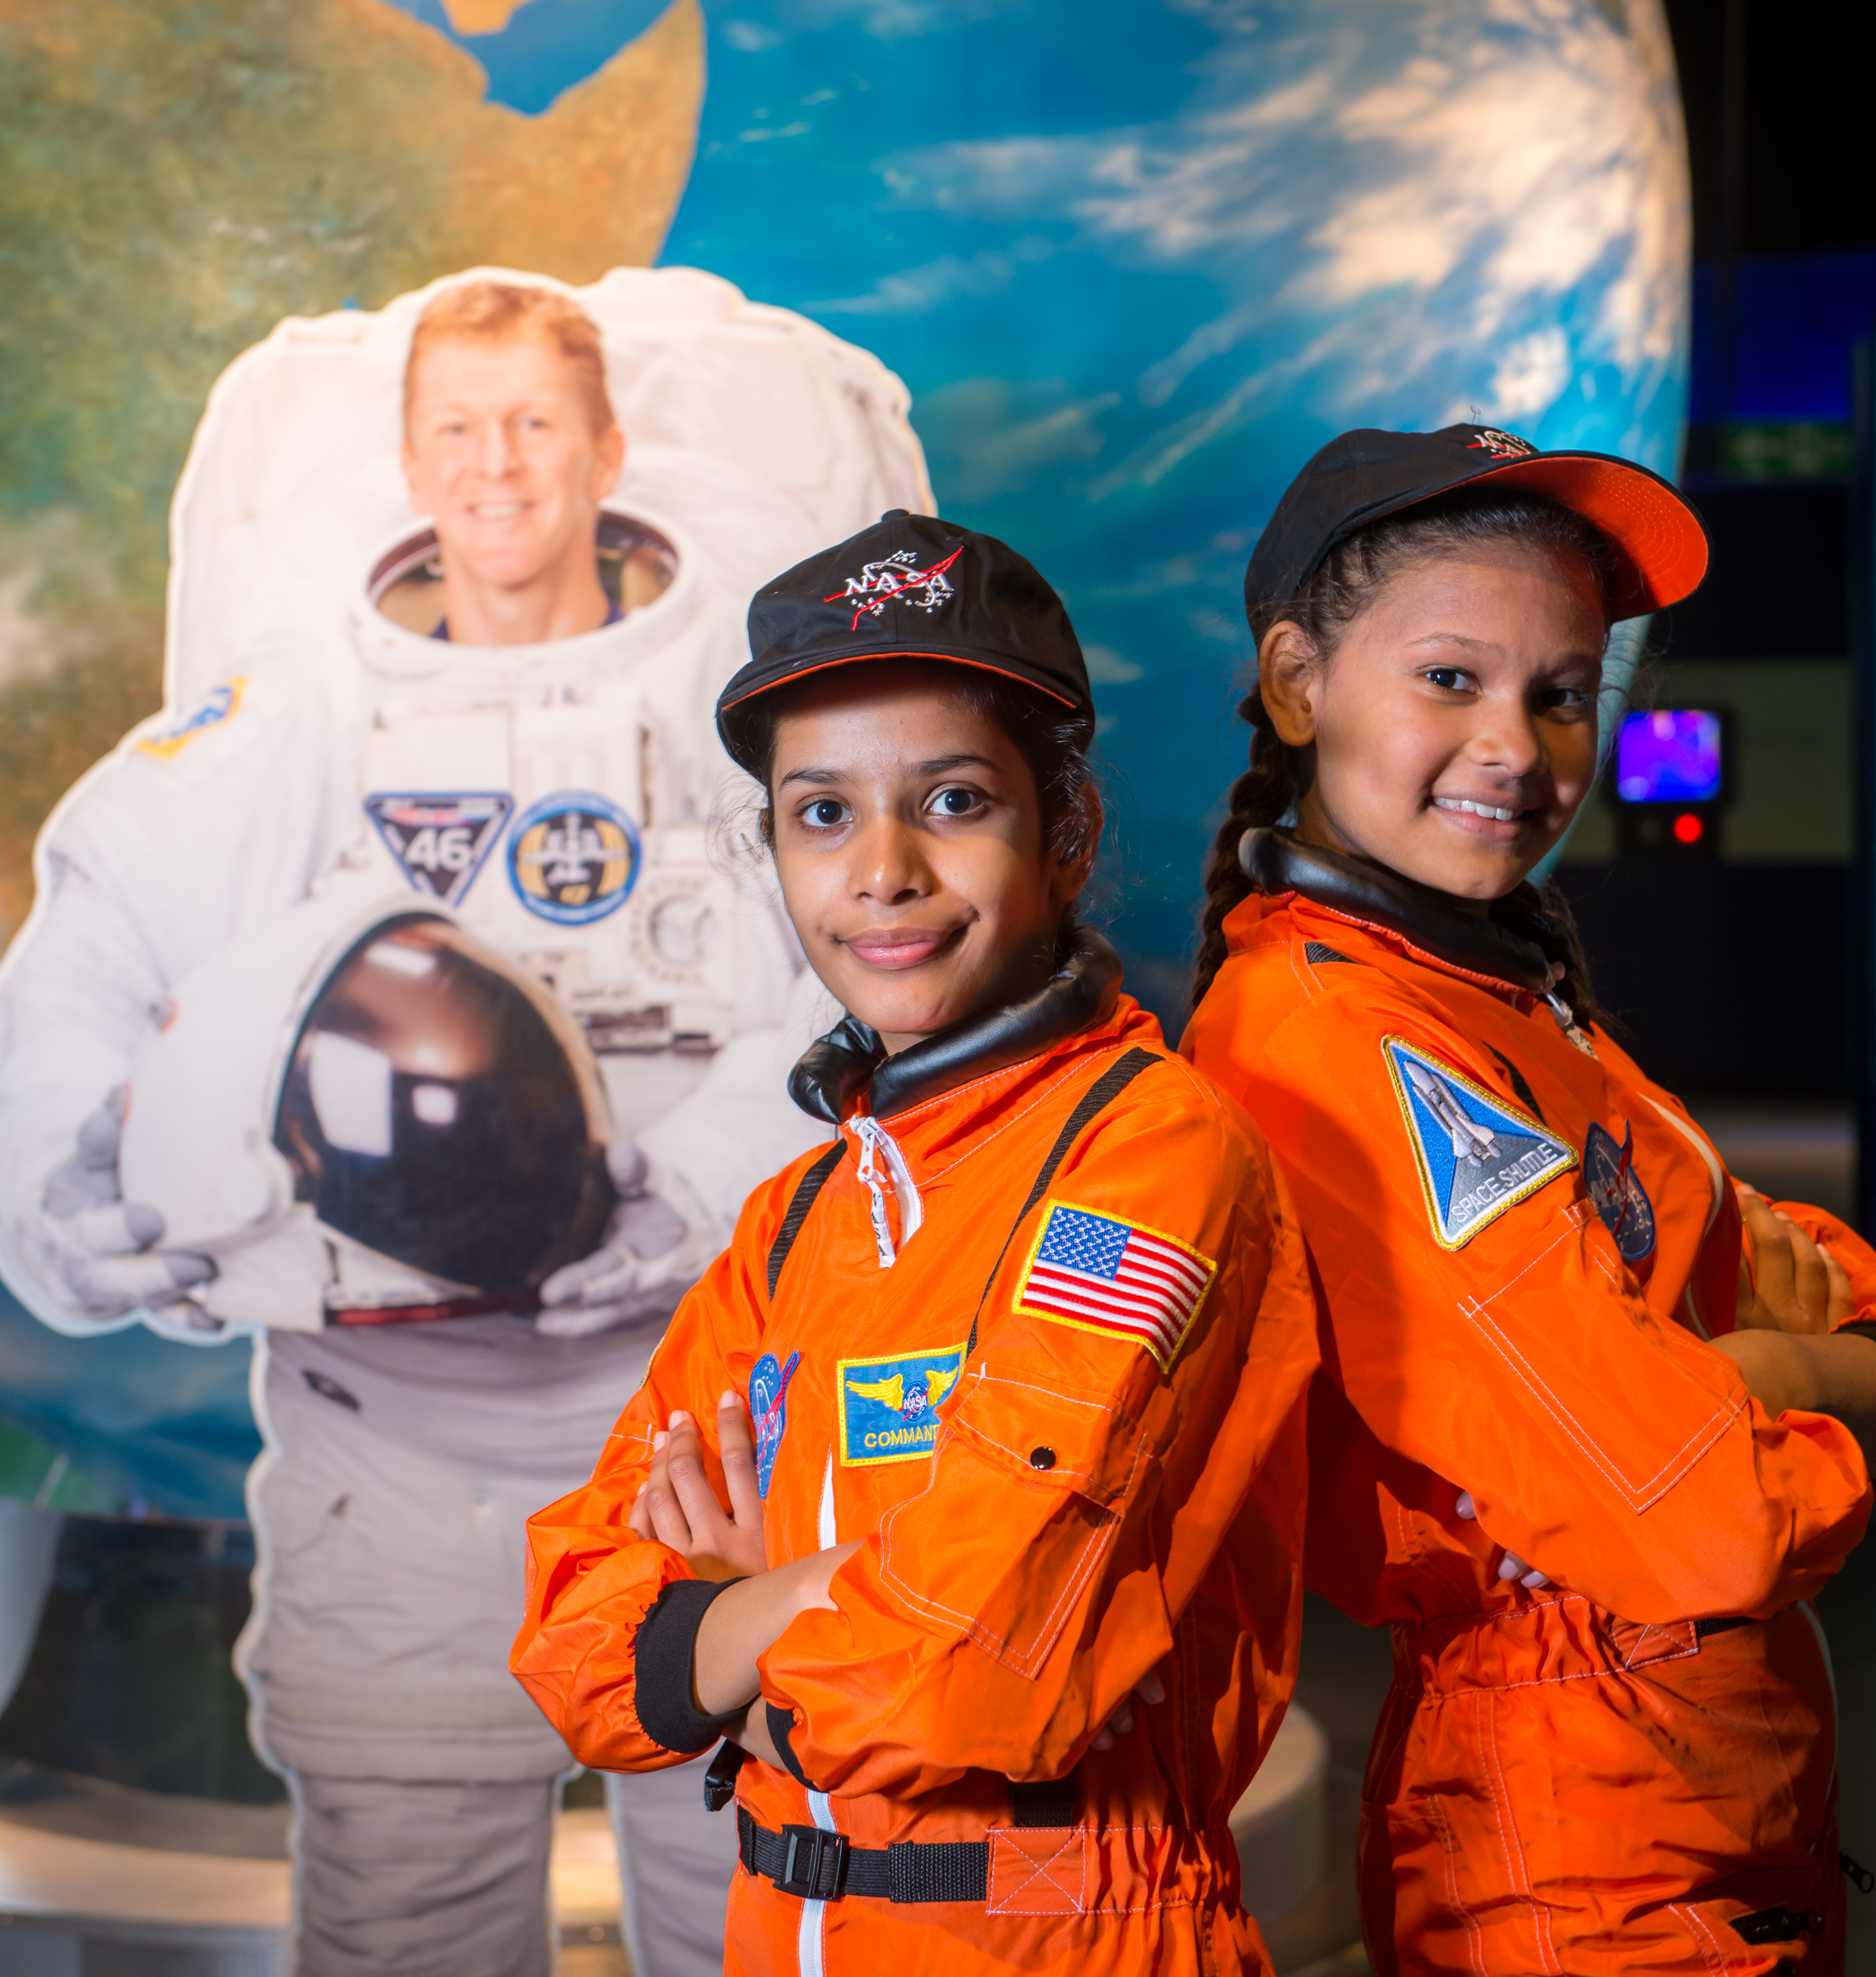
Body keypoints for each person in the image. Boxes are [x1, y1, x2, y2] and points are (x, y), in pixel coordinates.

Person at [0, 273, 918, 1976]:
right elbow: (91, 949)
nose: (500, 466)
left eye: (537, 422)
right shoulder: (296, 715)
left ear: (606, 445)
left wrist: (686, 1189)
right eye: (460, 429)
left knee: (761, 1913)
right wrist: (74, 1181)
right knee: (409, 1933)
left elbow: (862, 982)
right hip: (396, 1458)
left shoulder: (749, 697)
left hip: (717, 1439)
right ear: (408, 458)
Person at [1177, 426, 1876, 1976]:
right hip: (1579, 1848)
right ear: (1296, 682)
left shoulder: (1507, 1001)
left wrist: (1789, 1378)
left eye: (1561, 694)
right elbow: (1695, 1522)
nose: (1519, 748)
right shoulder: (1334, 1037)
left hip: (1701, 1804)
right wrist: (1814, 1385)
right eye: (1451, 680)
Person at [512, 511, 1321, 1974]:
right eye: (822, 813)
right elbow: (578, 1637)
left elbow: (966, 1679)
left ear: (1064, 837)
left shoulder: (1147, 1155)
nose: (879, 870)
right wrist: (835, 1603)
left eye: (951, 801)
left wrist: (742, 1627)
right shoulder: (802, 1217)